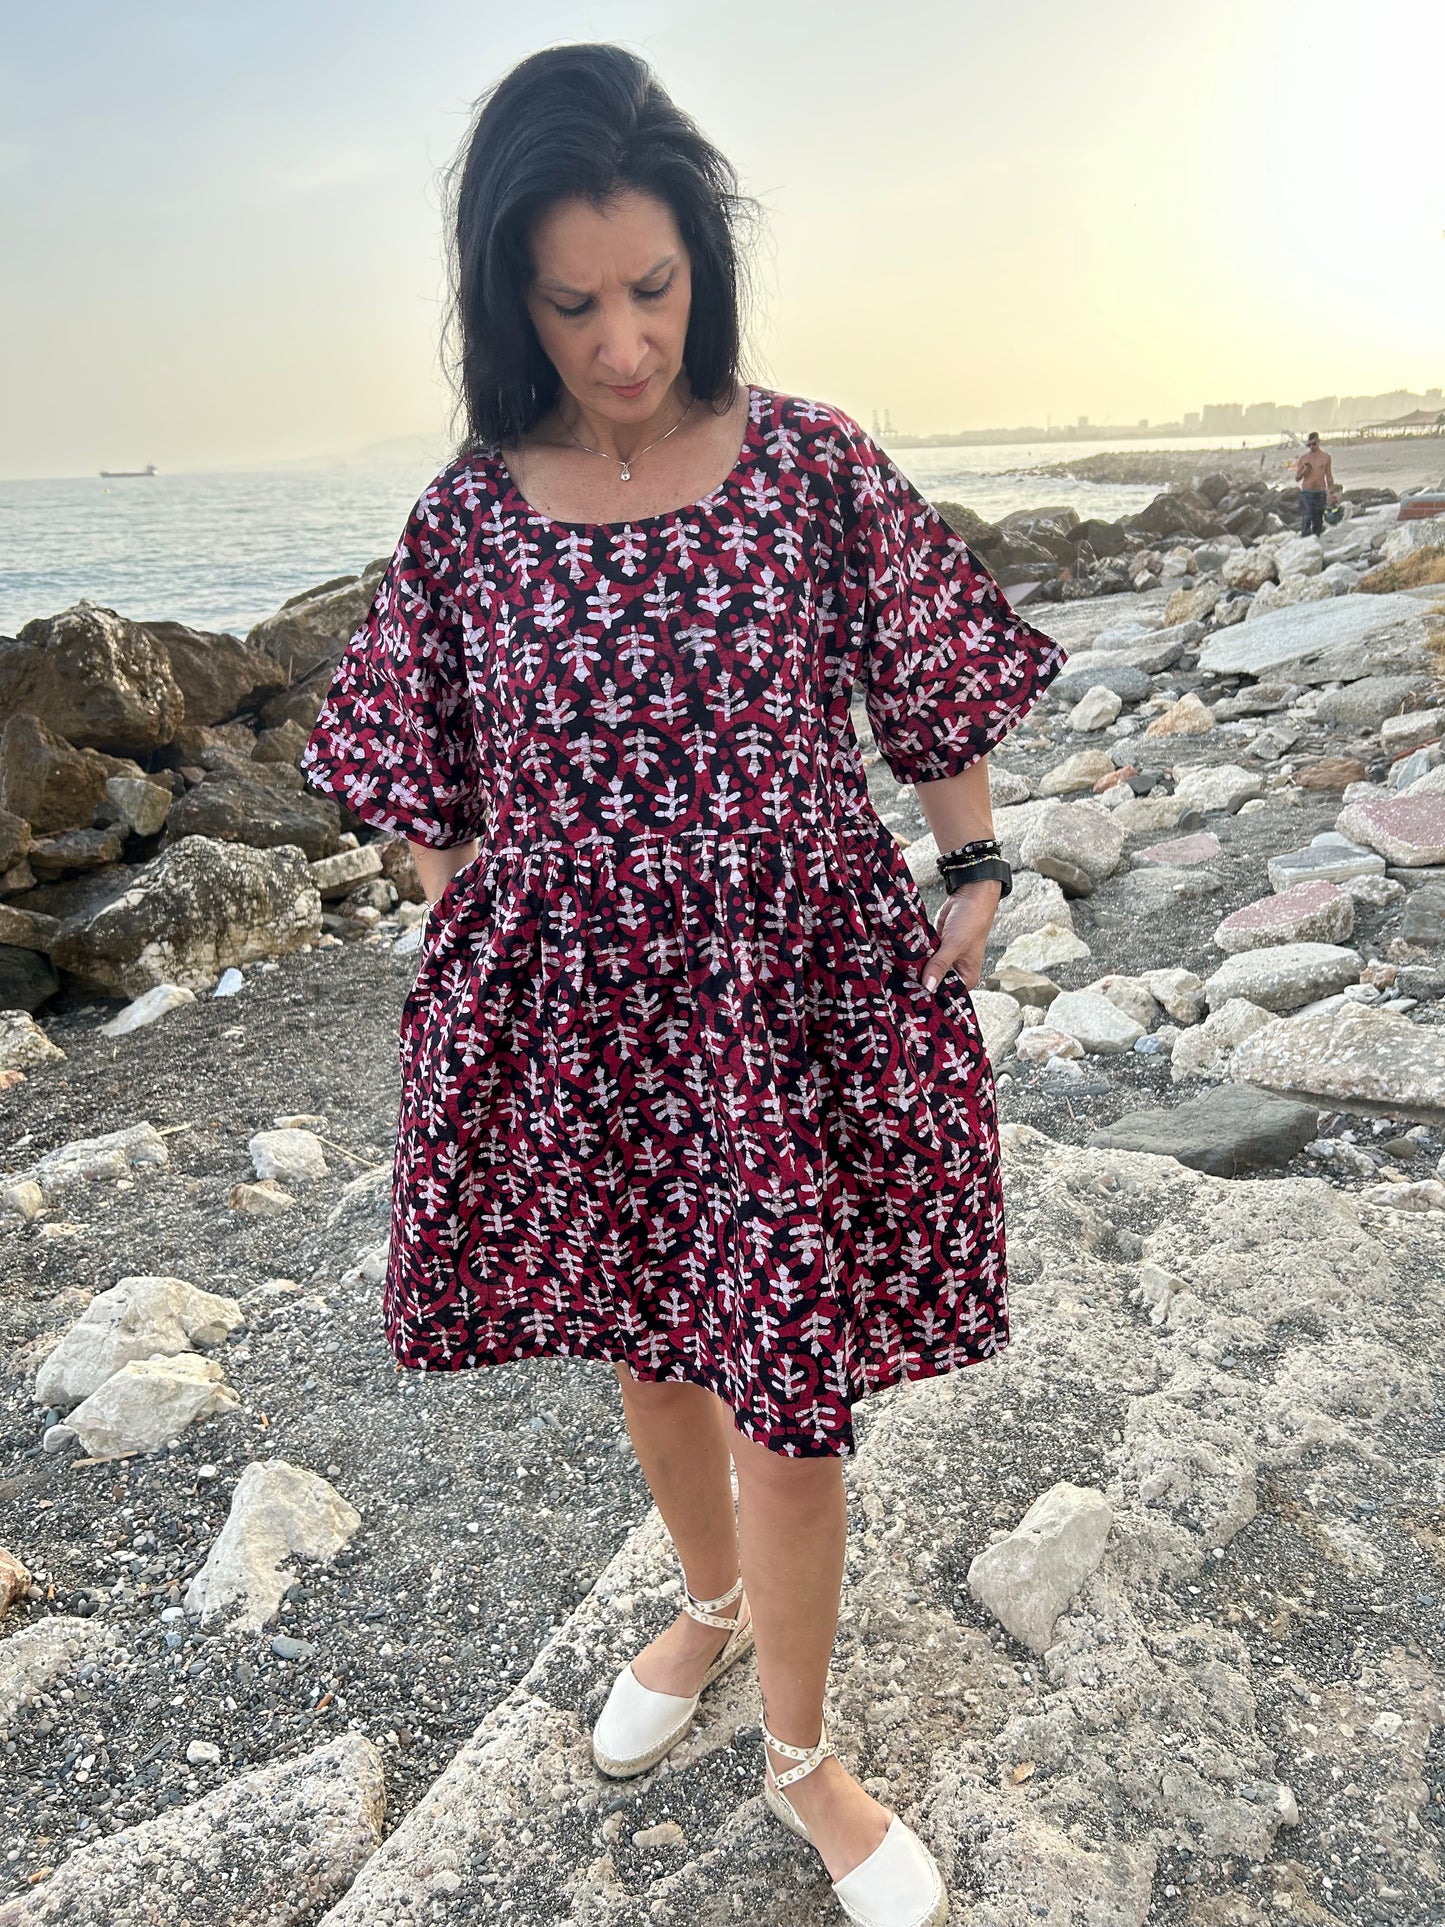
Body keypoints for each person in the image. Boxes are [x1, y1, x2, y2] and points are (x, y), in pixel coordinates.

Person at [300, 43, 1064, 1927]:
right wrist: (468, 903)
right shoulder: (473, 512)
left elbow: (928, 669)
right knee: (653, 1350)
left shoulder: (810, 461)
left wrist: (972, 859)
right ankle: (704, 1601)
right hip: (591, 1016)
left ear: (703, 266)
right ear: (508, 299)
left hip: (789, 994)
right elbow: (407, 751)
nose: (623, 341)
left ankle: (804, 1754)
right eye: (573, 305)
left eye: (652, 288)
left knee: (791, 1401)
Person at [1294, 431, 1338, 536]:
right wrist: (1305, 470)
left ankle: (1315, 539)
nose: (1312, 447)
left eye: (1314, 444)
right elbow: (1297, 478)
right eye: (1309, 445)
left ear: (1318, 442)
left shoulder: (1326, 457)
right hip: (1307, 492)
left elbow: (1329, 476)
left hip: (1320, 492)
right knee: (1307, 516)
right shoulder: (1304, 458)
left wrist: (1332, 493)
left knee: (1318, 521)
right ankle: (1305, 538)